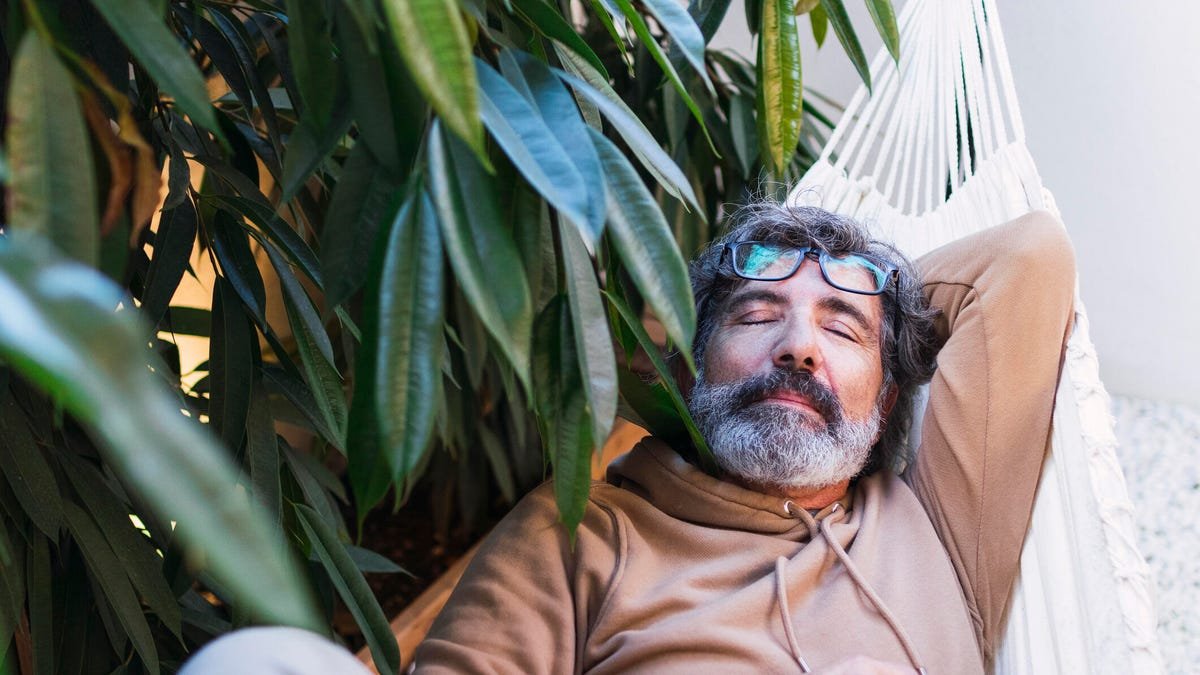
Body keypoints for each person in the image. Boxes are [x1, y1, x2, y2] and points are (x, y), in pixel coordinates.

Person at [413, 204, 1076, 674]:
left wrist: (877, 290)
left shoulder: (940, 526)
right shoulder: (580, 534)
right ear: (690, 366)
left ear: (888, 398)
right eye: (757, 314)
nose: (798, 348)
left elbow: (1028, 257)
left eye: (842, 333)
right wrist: (846, 299)